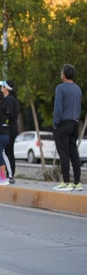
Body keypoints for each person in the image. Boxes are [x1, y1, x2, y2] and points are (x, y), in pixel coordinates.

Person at [52, 64, 83, 192]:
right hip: (74, 123)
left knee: (63, 153)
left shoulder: (60, 88)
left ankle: (66, 182)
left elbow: (58, 108)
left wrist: (55, 123)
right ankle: (77, 182)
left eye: (61, 72)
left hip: (63, 123)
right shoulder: (77, 89)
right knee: (73, 152)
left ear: (64, 75)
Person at [0, 80, 20, 184]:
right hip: (11, 129)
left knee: (7, 152)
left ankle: (9, 175)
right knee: (9, 152)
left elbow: (9, 115)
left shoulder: (9, 100)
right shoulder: (11, 99)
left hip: (9, 129)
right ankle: (9, 174)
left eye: (2, 86)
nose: (1, 88)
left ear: (6, 88)